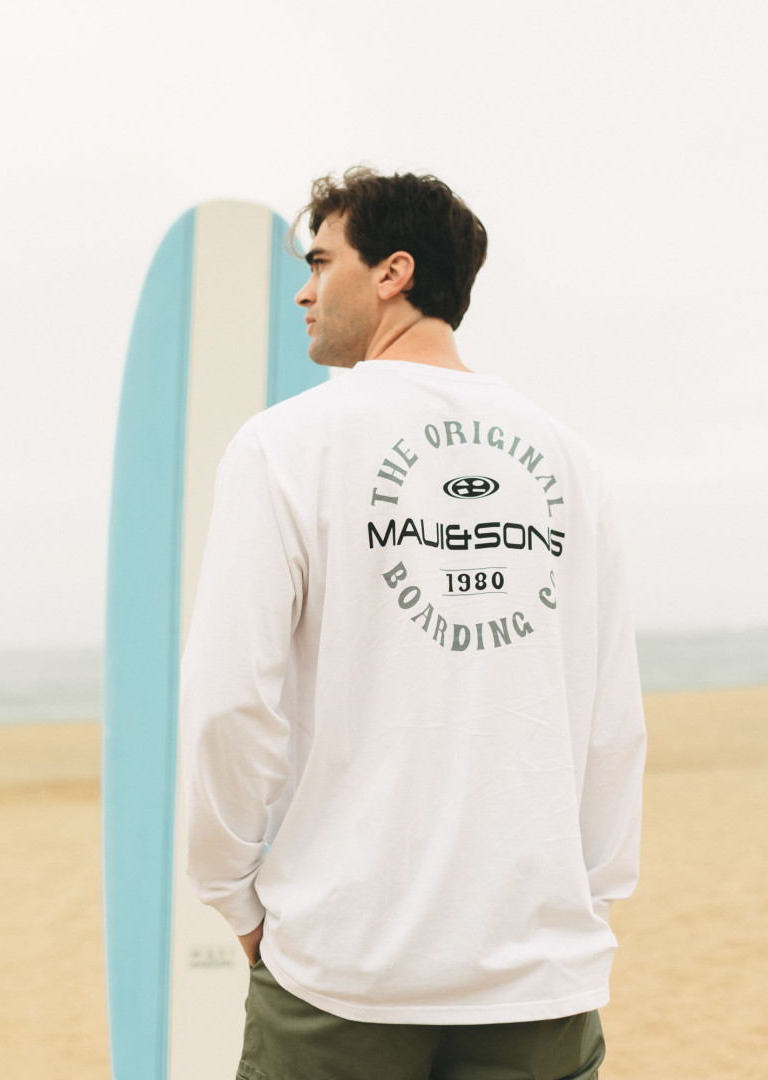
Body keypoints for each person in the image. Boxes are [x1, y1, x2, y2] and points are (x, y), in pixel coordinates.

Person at [180, 167, 646, 1080]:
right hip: (536, 974)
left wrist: (232, 896)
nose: (304, 292)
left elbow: (230, 701)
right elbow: (610, 721)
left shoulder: (287, 446)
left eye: (321, 263)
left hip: (344, 972)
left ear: (393, 272)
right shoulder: (570, 461)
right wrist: (587, 902)